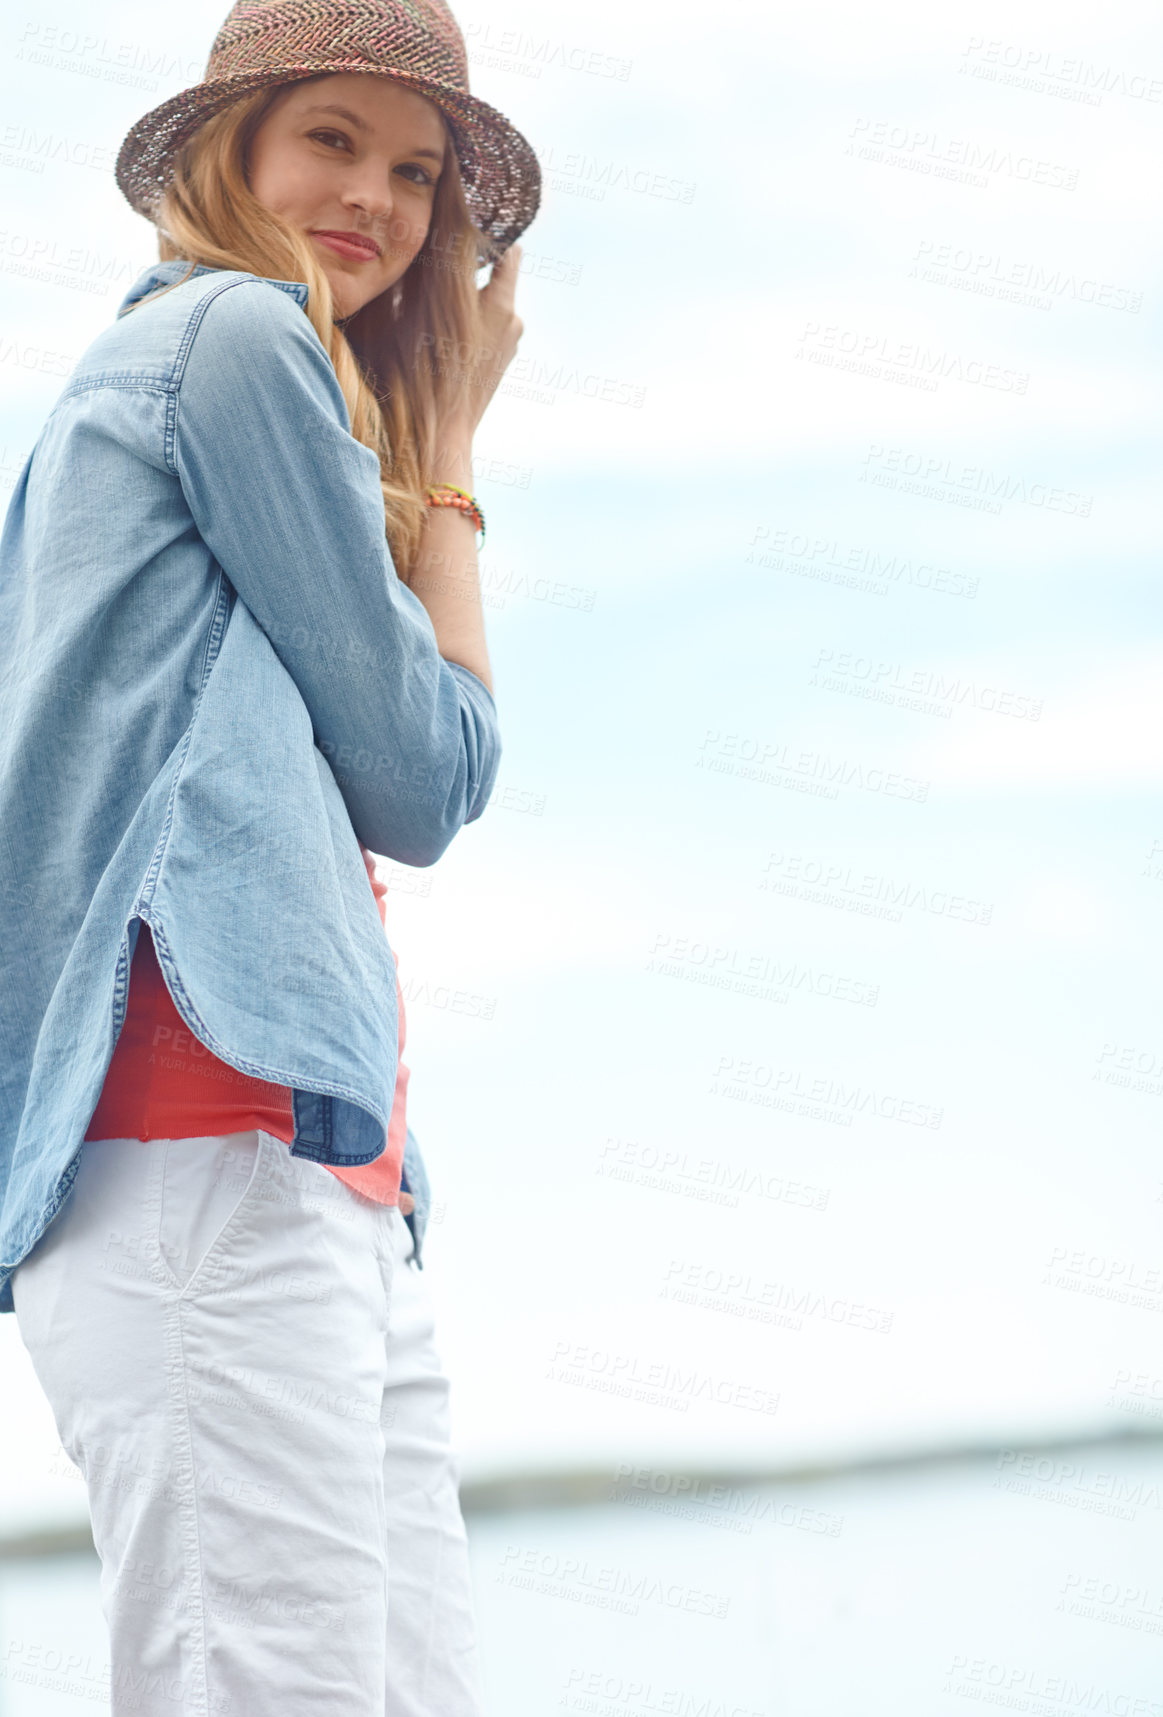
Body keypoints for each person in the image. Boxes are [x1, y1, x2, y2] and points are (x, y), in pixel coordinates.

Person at [0, 1, 540, 1711]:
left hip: (311, 1169)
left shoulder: (227, 389)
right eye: (331, 137)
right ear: (228, 146)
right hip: (202, 1155)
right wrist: (448, 462)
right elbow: (430, 774)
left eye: (416, 171)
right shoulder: (232, 342)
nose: (377, 200)